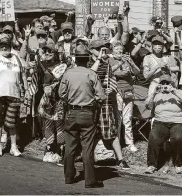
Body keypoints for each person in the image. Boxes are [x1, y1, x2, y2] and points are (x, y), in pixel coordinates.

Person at [59, 44, 106, 188]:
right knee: (87, 147)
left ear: (75, 59)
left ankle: (68, 176)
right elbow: (101, 96)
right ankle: (90, 180)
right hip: (87, 113)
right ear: (87, 60)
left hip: (71, 113)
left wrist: (70, 100)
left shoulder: (68, 73)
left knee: (70, 147)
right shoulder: (92, 74)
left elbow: (61, 94)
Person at [89, 39, 130, 170]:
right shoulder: (88, 62)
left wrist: (110, 88)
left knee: (110, 129)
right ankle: (83, 156)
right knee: (87, 130)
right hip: (90, 101)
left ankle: (120, 159)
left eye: (104, 48)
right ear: (91, 50)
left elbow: (111, 77)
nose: (102, 51)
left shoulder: (107, 63)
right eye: (99, 49)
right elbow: (89, 75)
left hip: (105, 100)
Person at [145, 74, 182, 174]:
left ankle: (178, 163)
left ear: (171, 83)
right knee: (154, 137)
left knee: (178, 138)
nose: (165, 85)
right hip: (160, 120)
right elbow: (148, 106)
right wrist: (153, 93)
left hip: (178, 121)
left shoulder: (178, 92)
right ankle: (151, 165)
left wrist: (174, 91)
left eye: (167, 83)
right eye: (162, 83)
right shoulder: (157, 94)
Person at [109, 41, 139, 152]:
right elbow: (111, 72)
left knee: (128, 118)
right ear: (112, 50)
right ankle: (117, 143)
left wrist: (131, 62)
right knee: (118, 118)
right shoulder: (110, 60)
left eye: (121, 50)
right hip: (117, 91)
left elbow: (137, 72)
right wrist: (120, 64)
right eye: (116, 49)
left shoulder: (127, 60)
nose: (119, 51)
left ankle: (129, 142)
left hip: (129, 91)